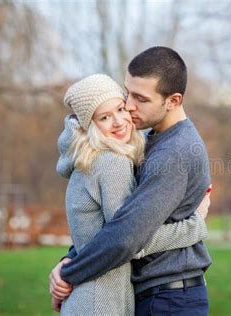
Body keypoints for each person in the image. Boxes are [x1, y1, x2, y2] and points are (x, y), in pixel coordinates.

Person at [50, 47, 212, 315]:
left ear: (173, 100)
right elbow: (111, 222)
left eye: (141, 98)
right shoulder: (146, 141)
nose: (129, 106)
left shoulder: (174, 152)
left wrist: (70, 272)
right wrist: (71, 258)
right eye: (128, 93)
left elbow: (127, 237)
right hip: (154, 294)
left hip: (169, 299)